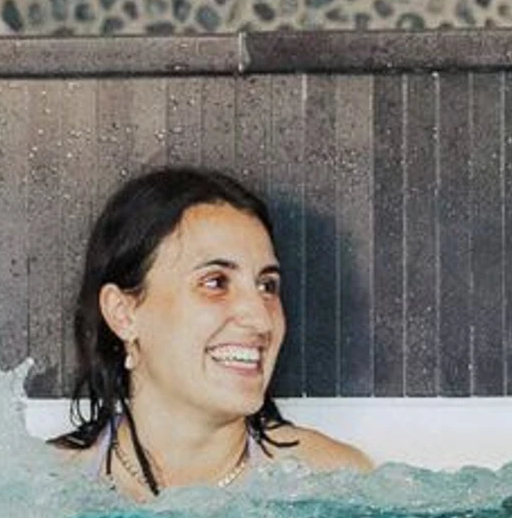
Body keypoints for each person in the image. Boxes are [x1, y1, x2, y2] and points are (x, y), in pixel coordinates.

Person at [52, 166, 371, 498]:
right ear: (123, 314)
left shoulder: (334, 485)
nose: (261, 320)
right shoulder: (47, 487)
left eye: (267, 285)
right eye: (216, 282)